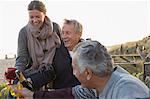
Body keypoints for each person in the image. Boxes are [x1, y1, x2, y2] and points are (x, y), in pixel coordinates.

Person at [12, 40, 150, 99]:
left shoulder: (127, 90)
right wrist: (32, 95)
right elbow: (70, 94)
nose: (73, 73)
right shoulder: (99, 85)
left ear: (88, 73)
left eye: (74, 69)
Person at [14, 0, 79, 91]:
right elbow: (22, 58)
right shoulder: (24, 32)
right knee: (17, 87)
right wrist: (16, 72)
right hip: (35, 70)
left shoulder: (55, 27)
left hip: (54, 67)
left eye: (38, 16)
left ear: (44, 14)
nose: (35, 20)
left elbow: (64, 47)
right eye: (31, 17)